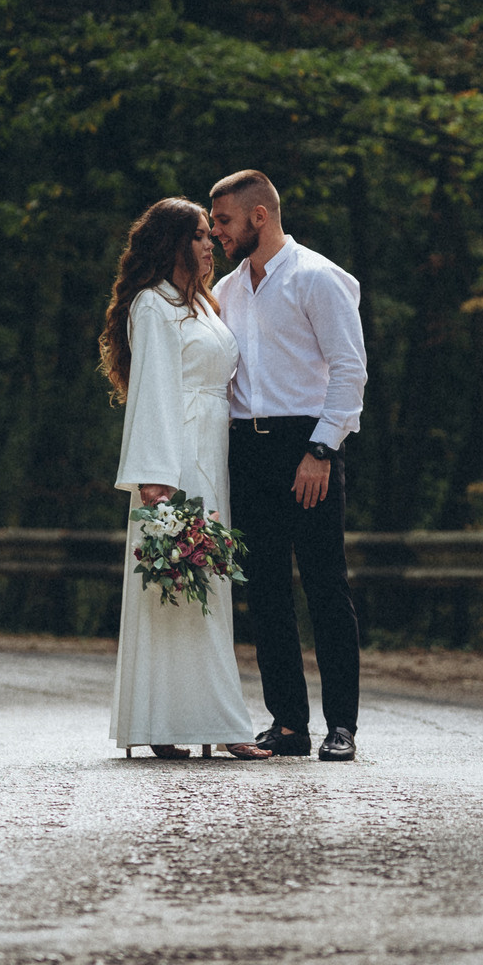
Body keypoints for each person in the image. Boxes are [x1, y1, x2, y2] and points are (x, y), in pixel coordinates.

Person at [99, 197, 270, 760]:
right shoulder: (153, 305)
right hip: (177, 459)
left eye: (208, 233)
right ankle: (206, 721)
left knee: (205, 585)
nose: (208, 243)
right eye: (197, 234)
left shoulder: (202, 305)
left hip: (213, 449)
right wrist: (155, 481)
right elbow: (151, 390)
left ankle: (187, 717)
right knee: (180, 583)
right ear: (171, 243)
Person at [206, 170, 367, 762]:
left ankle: (342, 725)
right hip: (246, 448)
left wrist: (322, 450)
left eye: (222, 220)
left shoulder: (317, 278)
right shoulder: (227, 290)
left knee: (325, 584)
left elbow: (350, 371)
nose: (215, 232)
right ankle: (289, 724)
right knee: (266, 591)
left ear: (258, 217)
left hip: (308, 445)